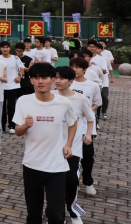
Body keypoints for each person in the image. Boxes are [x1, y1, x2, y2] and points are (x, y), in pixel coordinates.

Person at [13, 63, 77, 224]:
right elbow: (18, 132)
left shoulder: (63, 103)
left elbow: (73, 122)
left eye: (44, 77)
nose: (40, 81)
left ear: (52, 80)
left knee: (56, 215)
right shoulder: (23, 101)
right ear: (31, 81)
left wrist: (68, 144)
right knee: (34, 214)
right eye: (36, 78)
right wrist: (25, 125)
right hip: (32, 165)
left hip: (57, 167)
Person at [53, 66, 94, 224]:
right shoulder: (50, 96)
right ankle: (57, 213)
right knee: (55, 182)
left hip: (74, 147)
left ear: (71, 81)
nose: (57, 81)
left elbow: (90, 119)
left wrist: (88, 134)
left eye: (61, 78)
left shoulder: (80, 99)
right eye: (55, 77)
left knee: (71, 180)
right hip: (53, 146)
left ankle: (72, 210)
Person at [69, 57, 103, 197]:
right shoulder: (67, 84)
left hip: (86, 126)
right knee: (70, 156)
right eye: (73, 67)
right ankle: (72, 181)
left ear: (84, 69)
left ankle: (88, 181)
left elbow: (97, 102)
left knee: (88, 156)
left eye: (78, 67)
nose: (75, 70)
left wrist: (88, 111)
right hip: (69, 126)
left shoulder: (92, 85)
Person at [0, 41, 24, 137]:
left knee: (12, 107)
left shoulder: (15, 58)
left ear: (9, 48)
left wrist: (19, 76)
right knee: (2, 107)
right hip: (1, 86)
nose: (5, 49)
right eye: (3, 47)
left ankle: (12, 126)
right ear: (0, 49)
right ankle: (2, 126)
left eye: (7, 47)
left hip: (13, 86)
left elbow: (22, 68)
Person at [87, 41, 111, 122]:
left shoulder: (101, 59)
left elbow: (104, 71)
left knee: (102, 97)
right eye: (90, 46)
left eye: (94, 47)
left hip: (100, 83)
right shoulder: (83, 58)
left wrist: (94, 67)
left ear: (97, 49)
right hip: (87, 82)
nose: (92, 48)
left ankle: (99, 116)